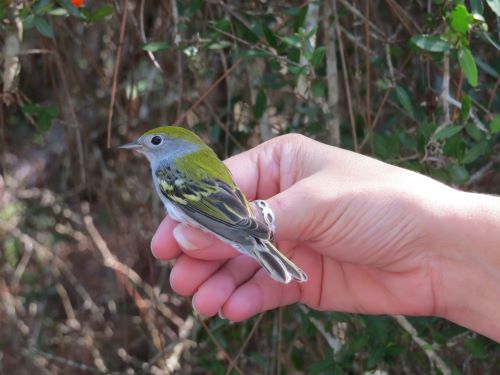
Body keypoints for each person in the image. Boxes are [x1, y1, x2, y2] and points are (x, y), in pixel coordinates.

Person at [150, 133, 500, 342]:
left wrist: (262, 220)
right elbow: (229, 195)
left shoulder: (169, 170)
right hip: (237, 214)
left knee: (193, 244)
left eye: (153, 141)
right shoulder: (194, 163)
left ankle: (266, 253)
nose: (144, 148)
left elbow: (201, 207)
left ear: (175, 144)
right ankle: (269, 255)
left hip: (226, 220)